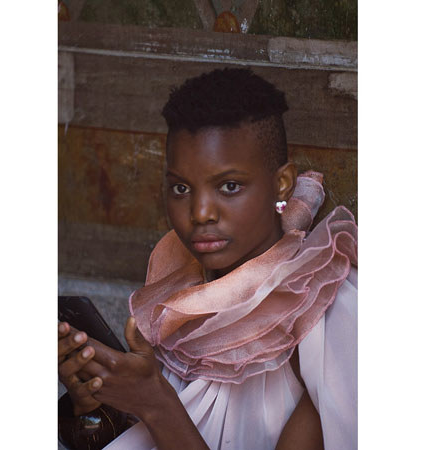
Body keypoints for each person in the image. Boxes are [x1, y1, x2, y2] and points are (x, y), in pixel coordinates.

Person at [58, 68, 357, 450]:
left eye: (229, 186)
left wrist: (156, 404)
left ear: (282, 184)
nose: (200, 213)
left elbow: (165, 416)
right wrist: (95, 405)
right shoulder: (178, 300)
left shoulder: (320, 315)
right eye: (181, 188)